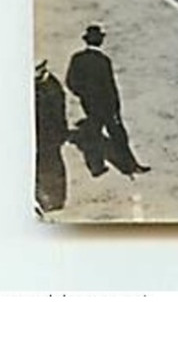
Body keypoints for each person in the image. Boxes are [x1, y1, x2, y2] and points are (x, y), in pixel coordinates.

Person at [64, 24, 148, 177]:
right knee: (119, 136)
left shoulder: (77, 58)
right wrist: (116, 106)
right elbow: (110, 87)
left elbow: (71, 82)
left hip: (90, 106)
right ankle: (129, 166)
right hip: (107, 106)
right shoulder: (103, 60)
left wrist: (84, 96)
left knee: (94, 136)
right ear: (100, 41)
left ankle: (96, 168)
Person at [34, 59, 68, 214]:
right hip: (43, 133)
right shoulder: (43, 85)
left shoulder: (51, 88)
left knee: (51, 165)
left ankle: (54, 200)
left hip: (50, 135)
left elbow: (57, 115)